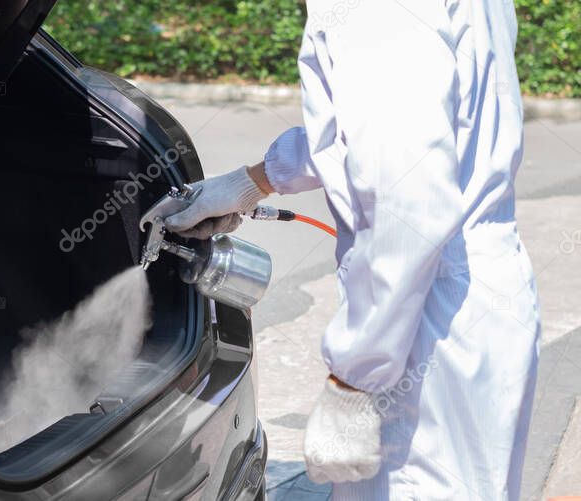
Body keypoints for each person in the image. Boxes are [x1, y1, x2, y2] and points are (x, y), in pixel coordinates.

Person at [163, 0, 541, 499]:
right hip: (472, 298)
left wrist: (354, 385)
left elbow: (411, 200)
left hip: (424, 324)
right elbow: (378, 130)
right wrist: (252, 182)